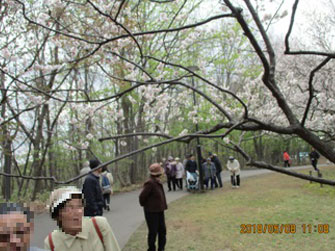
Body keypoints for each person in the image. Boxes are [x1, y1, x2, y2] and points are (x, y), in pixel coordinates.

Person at [44, 186, 120, 251]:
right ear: (58, 214)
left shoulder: (98, 225)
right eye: (70, 207)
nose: (78, 212)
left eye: (80, 206)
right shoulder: (51, 242)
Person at [139, 163, 167, 251]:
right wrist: (148, 205)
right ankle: (151, 249)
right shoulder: (150, 183)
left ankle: (161, 249)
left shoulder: (157, 181)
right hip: (151, 212)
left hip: (159, 210)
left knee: (162, 231)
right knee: (153, 232)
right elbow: (142, 197)